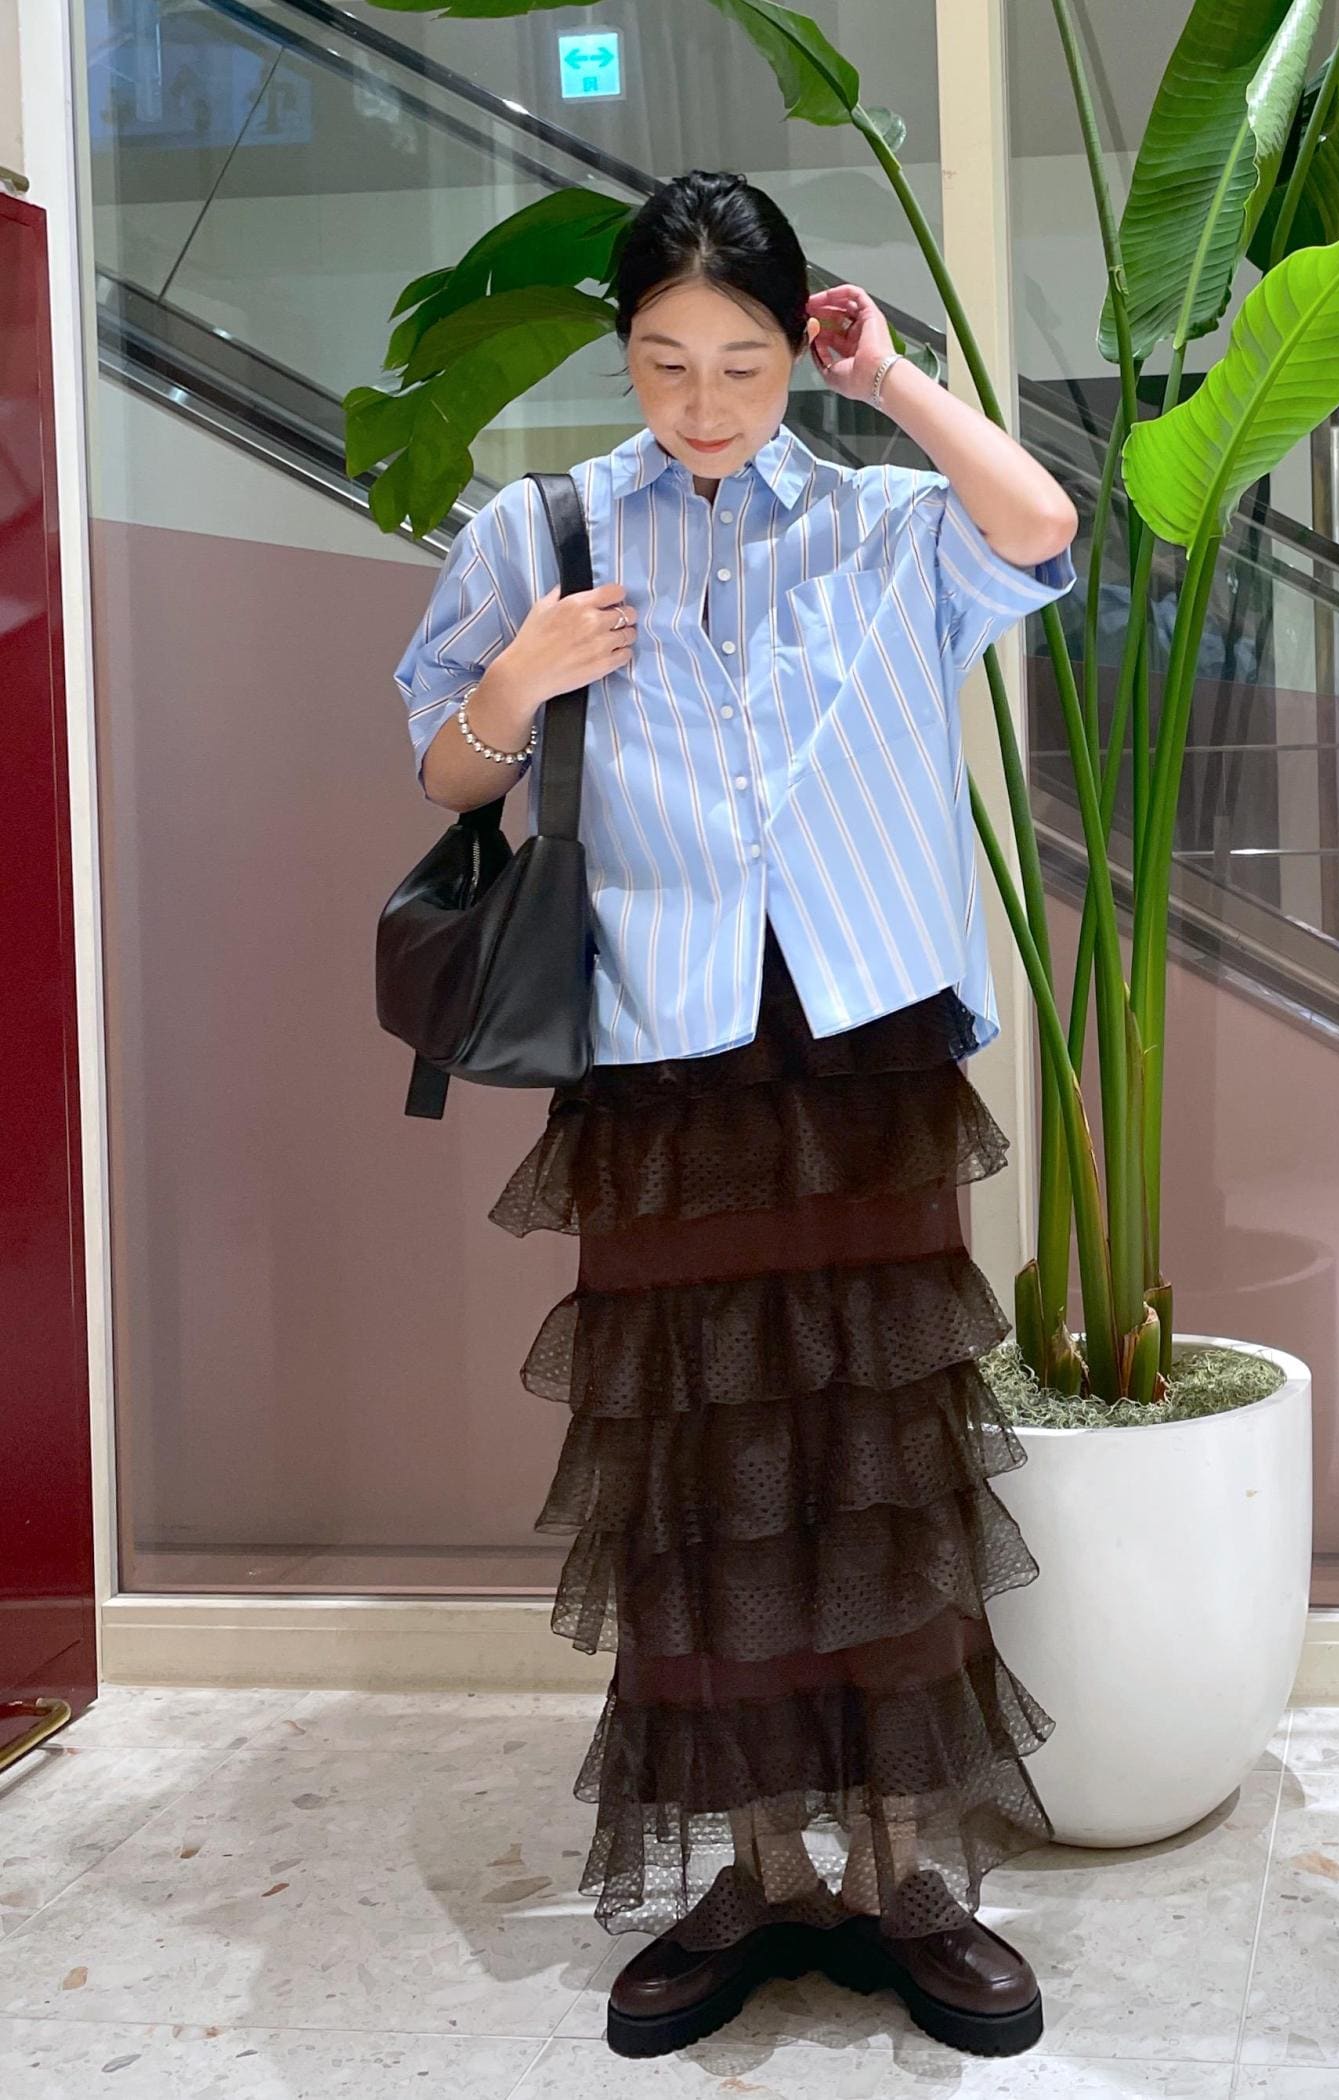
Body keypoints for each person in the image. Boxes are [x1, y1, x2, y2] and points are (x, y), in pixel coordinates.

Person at [394, 168, 1077, 2061]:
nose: (703, 401)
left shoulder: (879, 522)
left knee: (882, 1465)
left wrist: (894, 381)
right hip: (663, 1060)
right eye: (665, 360)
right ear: (622, 351)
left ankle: (908, 1877)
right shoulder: (542, 530)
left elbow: (1042, 529)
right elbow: (444, 766)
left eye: (747, 361)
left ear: (799, 347)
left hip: (863, 1055)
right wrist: (520, 681)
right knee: (706, 1481)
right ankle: (760, 1872)